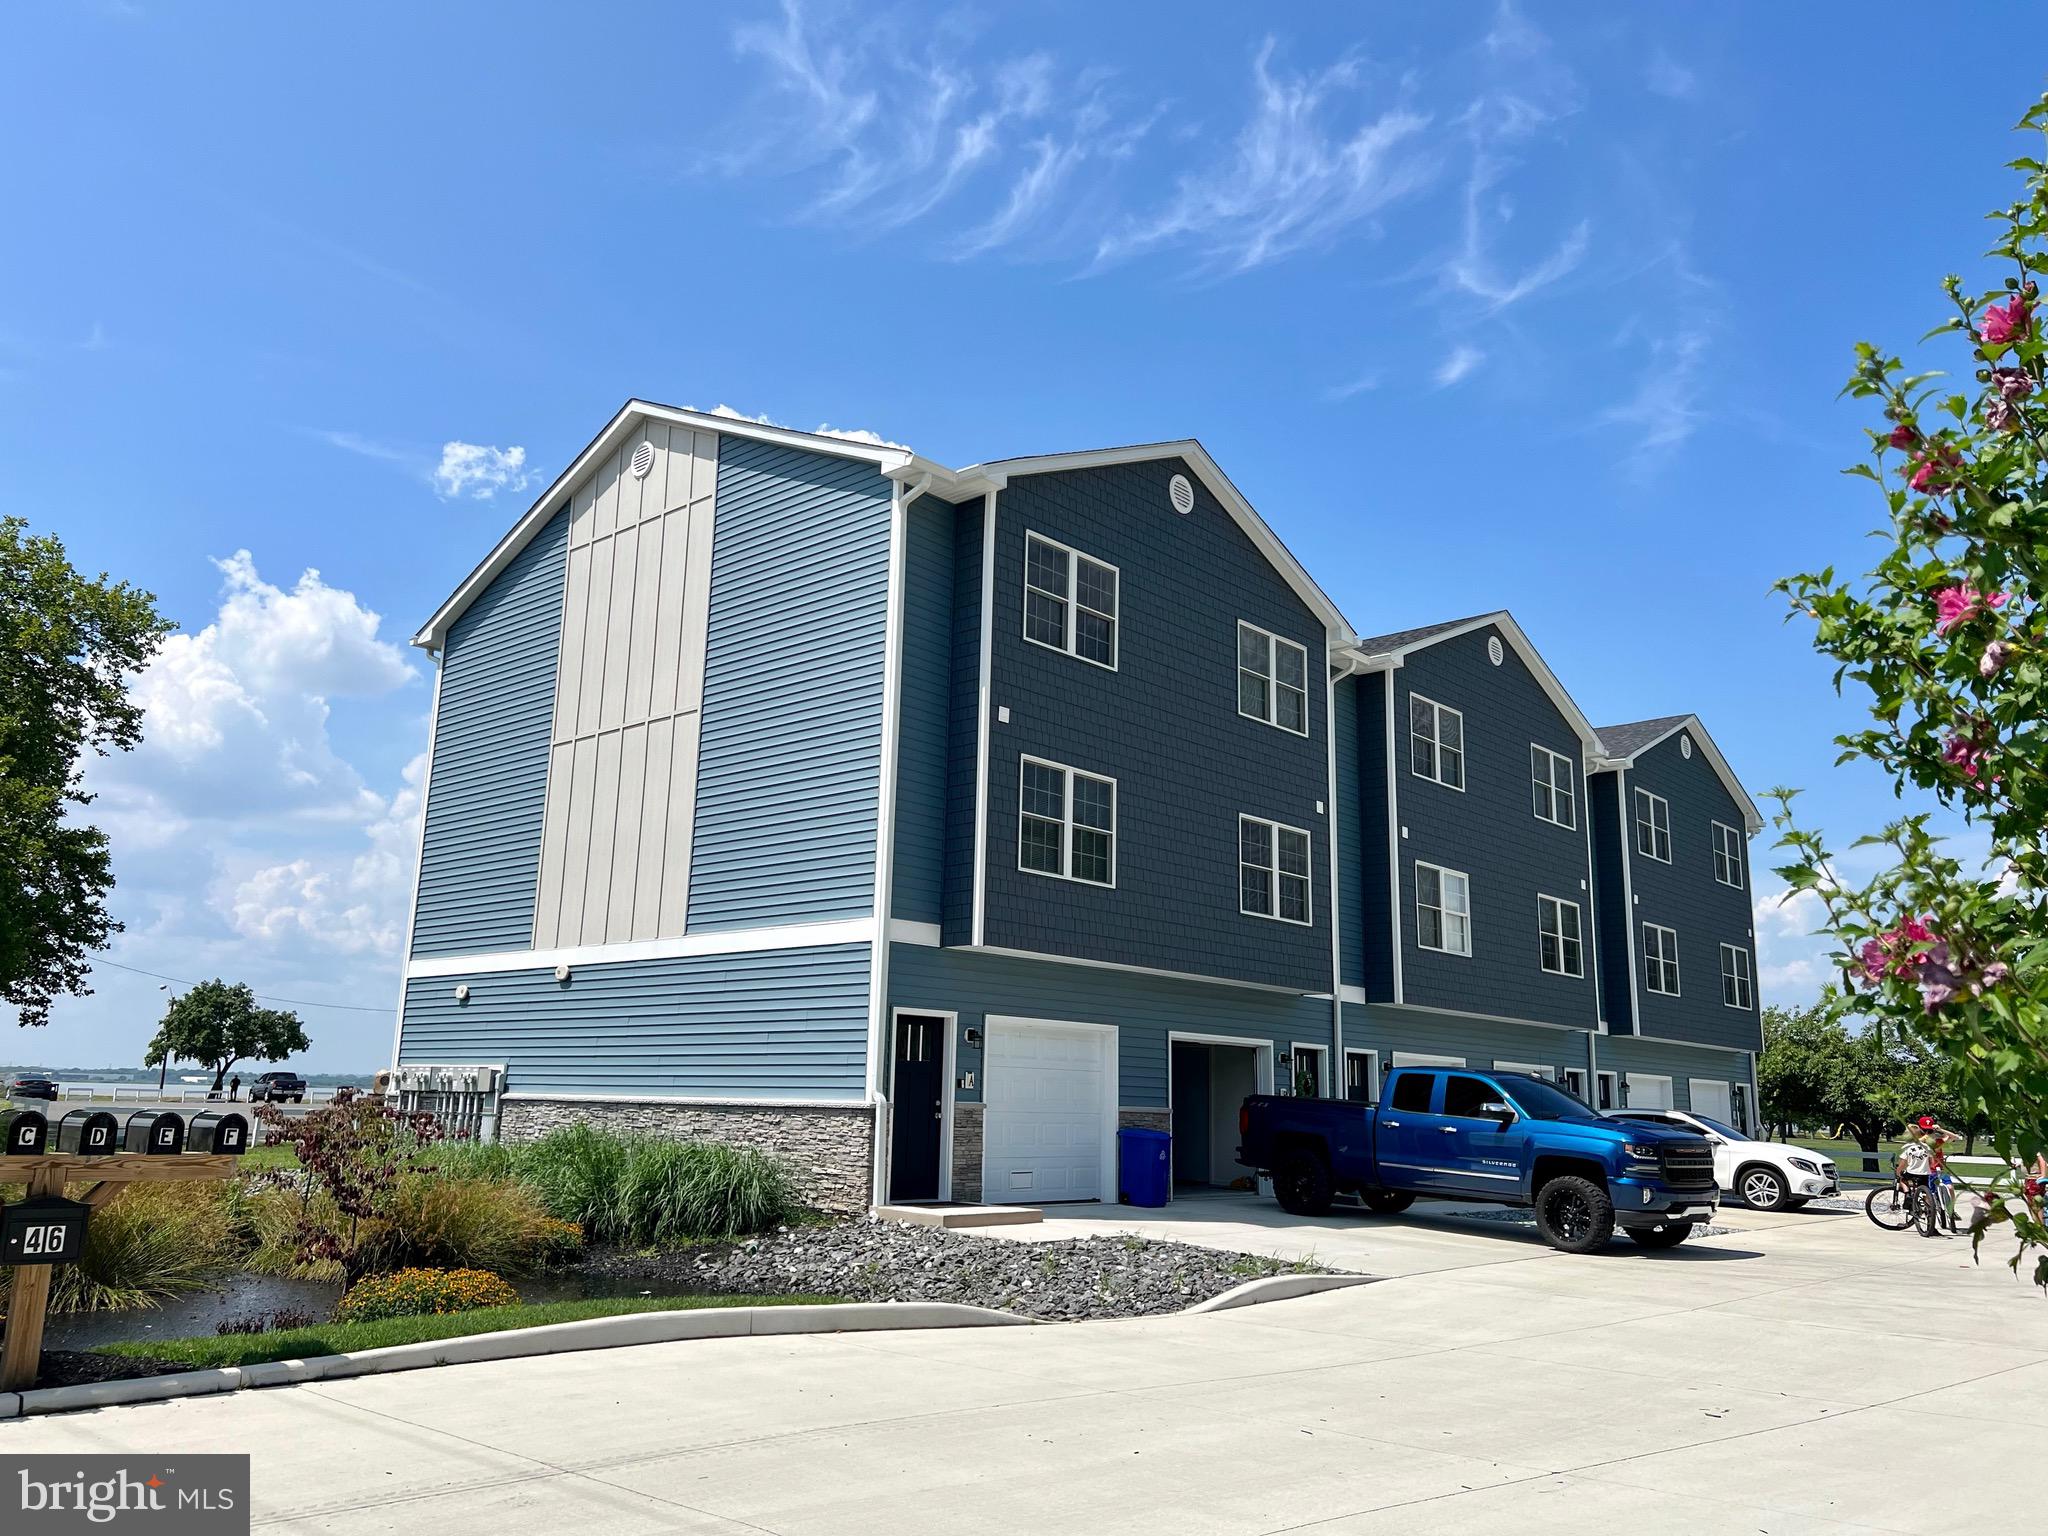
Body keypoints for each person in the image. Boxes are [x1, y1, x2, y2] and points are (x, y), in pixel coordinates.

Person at [1895, 1125, 1935, 1232]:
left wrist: (1898, 1172)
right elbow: (1932, 1162)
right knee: (1926, 1191)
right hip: (1924, 1174)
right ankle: (1928, 1207)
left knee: (1902, 1179)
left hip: (1912, 1173)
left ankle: (1907, 1193)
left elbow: (1902, 1164)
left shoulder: (1908, 1148)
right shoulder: (1926, 1147)